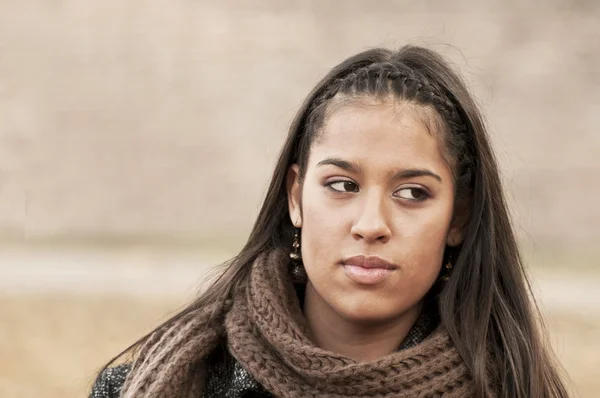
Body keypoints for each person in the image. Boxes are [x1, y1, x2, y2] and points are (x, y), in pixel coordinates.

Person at [89, 45, 569, 398]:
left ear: (457, 218)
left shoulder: (514, 388)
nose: (371, 224)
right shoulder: (153, 385)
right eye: (342, 185)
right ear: (296, 197)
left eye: (412, 193)